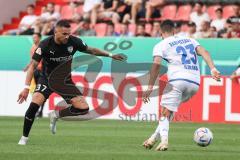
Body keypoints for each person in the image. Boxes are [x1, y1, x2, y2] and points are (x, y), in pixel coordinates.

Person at [17, 19, 125, 145]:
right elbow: (33, 66)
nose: (67, 36)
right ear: (56, 32)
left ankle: (56, 115)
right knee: (34, 104)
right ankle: (24, 138)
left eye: (69, 33)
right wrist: (26, 87)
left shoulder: (73, 41)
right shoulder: (45, 45)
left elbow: (92, 50)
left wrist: (110, 54)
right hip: (47, 79)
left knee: (83, 108)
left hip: (65, 81)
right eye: (64, 34)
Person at [142, 20, 220, 151]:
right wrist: (213, 69)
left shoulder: (161, 44)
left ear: (161, 33)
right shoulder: (189, 40)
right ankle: (153, 138)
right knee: (169, 111)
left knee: (164, 112)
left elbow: (156, 65)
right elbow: (205, 52)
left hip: (178, 80)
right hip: (195, 83)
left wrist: (150, 87)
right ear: (173, 31)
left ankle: (164, 141)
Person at [23, 33, 45, 118]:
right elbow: (33, 60)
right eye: (33, 37)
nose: (34, 39)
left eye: (35, 37)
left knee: (41, 91)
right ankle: (38, 110)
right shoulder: (32, 48)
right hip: (35, 71)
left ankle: (40, 111)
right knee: (36, 91)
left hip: (43, 71)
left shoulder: (43, 46)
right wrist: (27, 67)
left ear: (39, 38)